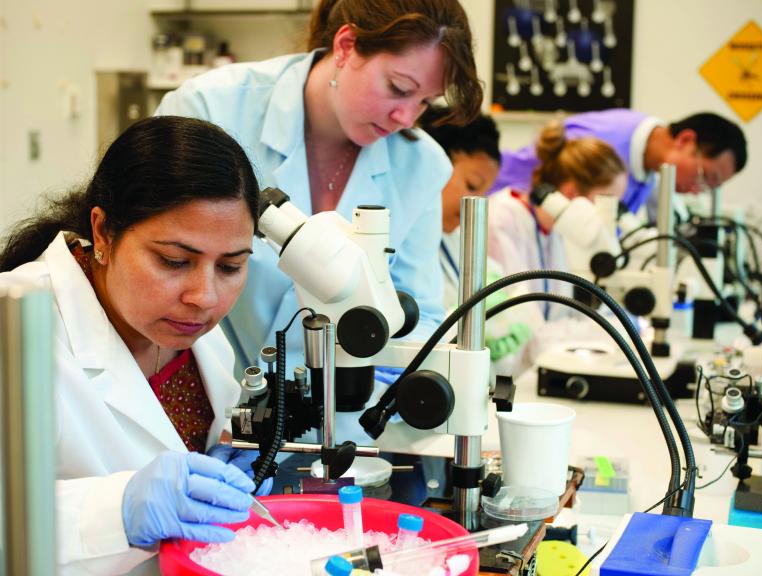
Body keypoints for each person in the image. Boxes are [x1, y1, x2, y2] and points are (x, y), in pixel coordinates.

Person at [154, 0, 484, 396]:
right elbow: (157, 278)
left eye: (426, 102)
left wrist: (385, 385)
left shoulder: (420, 164)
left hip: (340, 413)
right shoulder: (209, 110)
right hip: (204, 394)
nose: (406, 118)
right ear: (346, 46)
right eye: (399, 89)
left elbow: (421, 311)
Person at [0, 116, 273, 575]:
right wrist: (117, 512)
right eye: (173, 260)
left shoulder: (190, 332)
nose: (204, 296)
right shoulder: (16, 324)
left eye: (229, 267)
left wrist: (223, 459)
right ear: (104, 233)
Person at [487, 122, 628, 367]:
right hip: (510, 373)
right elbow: (531, 333)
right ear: (573, 193)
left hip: (545, 365)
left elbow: (566, 317)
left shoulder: (559, 229)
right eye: (604, 204)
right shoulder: (502, 219)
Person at [420, 106, 535, 378]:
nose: (476, 204)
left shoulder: (454, 236)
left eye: (484, 193)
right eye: (471, 186)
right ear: (432, 164)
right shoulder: (399, 239)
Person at [490, 110, 748, 219]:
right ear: (686, 140)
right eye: (705, 177)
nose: (696, 189)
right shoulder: (603, 145)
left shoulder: (647, 165)